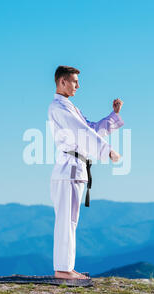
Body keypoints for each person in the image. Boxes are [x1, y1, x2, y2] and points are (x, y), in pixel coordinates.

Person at [48, 65, 124, 280]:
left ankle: (67, 268)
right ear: (62, 81)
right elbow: (82, 133)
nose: (78, 86)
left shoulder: (69, 107)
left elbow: (89, 128)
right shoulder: (58, 107)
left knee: (70, 221)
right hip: (68, 170)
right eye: (74, 81)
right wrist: (107, 151)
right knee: (66, 221)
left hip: (75, 169)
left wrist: (113, 116)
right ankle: (63, 270)